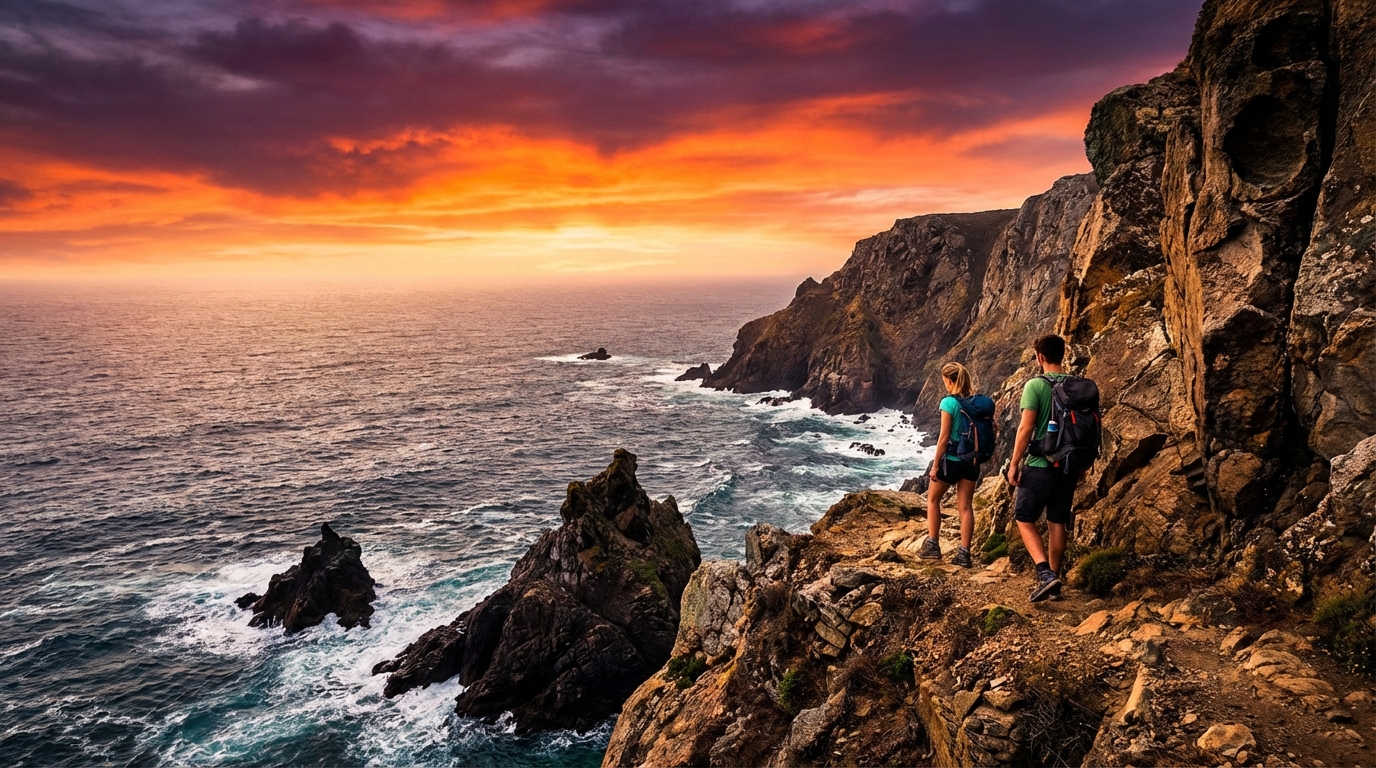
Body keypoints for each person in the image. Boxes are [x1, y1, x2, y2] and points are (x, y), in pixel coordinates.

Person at [1005, 334, 1079, 602]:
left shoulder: (1035, 385)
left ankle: (1045, 574)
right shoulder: (1076, 385)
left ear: (1040, 357)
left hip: (1039, 464)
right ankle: (1054, 580)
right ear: (1063, 354)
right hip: (1068, 466)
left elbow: (1026, 428)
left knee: (1024, 518)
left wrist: (1014, 463)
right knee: (1057, 521)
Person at [917, 362, 980, 568]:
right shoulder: (975, 402)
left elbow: (943, 438)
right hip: (971, 462)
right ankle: (964, 555)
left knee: (933, 499)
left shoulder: (948, 403)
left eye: (944, 380)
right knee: (966, 507)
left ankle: (933, 546)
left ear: (949, 381)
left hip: (951, 461)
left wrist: (935, 466)